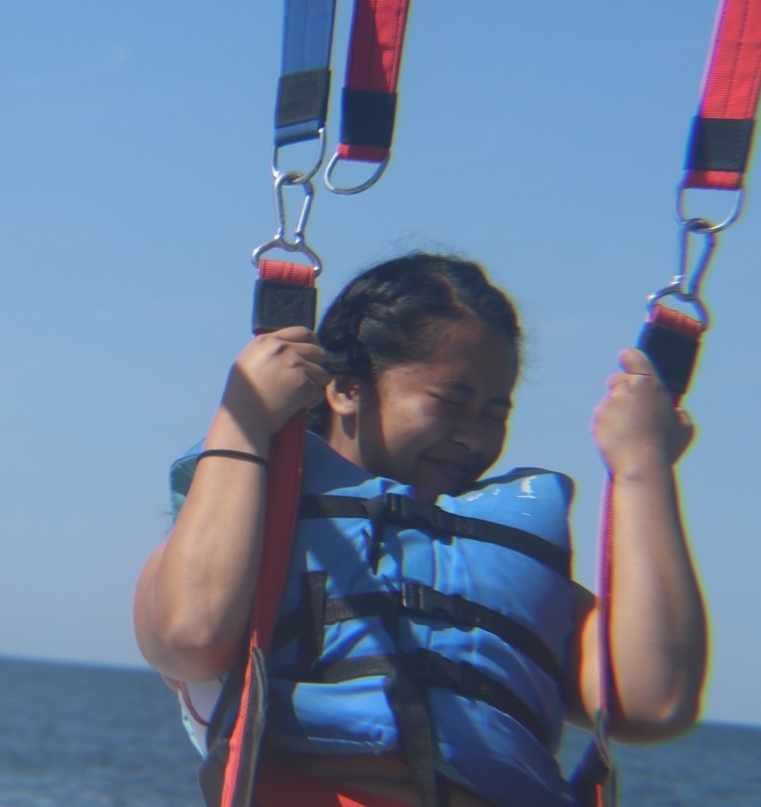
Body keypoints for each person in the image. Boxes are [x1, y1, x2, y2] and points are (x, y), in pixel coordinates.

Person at [134, 253, 706, 807]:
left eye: (495, 413)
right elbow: (192, 637)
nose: (472, 436)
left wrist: (642, 467)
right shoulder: (244, 538)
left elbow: (655, 700)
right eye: (449, 401)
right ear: (346, 389)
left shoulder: (509, 570)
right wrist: (245, 416)